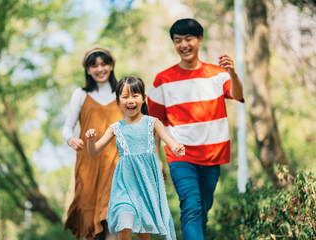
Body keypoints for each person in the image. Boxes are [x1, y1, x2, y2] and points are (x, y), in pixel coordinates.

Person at [147, 18, 245, 240]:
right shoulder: (162, 80)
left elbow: (238, 95)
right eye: (178, 40)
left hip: (213, 154)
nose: (183, 44)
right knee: (191, 205)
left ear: (199, 40)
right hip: (180, 155)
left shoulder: (217, 73)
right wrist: (156, 157)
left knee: (203, 209)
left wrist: (233, 74)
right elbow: (154, 123)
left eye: (188, 39)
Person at [85, 76, 185, 240]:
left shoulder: (153, 123)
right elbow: (93, 151)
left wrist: (177, 148)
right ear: (118, 101)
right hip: (124, 188)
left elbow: (171, 142)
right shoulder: (115, 128)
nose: (130, 100)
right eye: (125, 97)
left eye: (135, 95)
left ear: (144, 98)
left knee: (143, 232)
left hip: (146, 188)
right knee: (124, 223)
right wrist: (90, 141)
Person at [62, 45, 123, 240]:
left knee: (113, 218)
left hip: (116, 164)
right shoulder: (80, 95)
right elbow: (67, 127)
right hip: (88, 164)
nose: (100, 69)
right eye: (94, 66)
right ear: (88, 70)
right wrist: (70, 139)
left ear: (111, 65)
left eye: (104, 64)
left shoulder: (121, 93)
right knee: (90, 223)